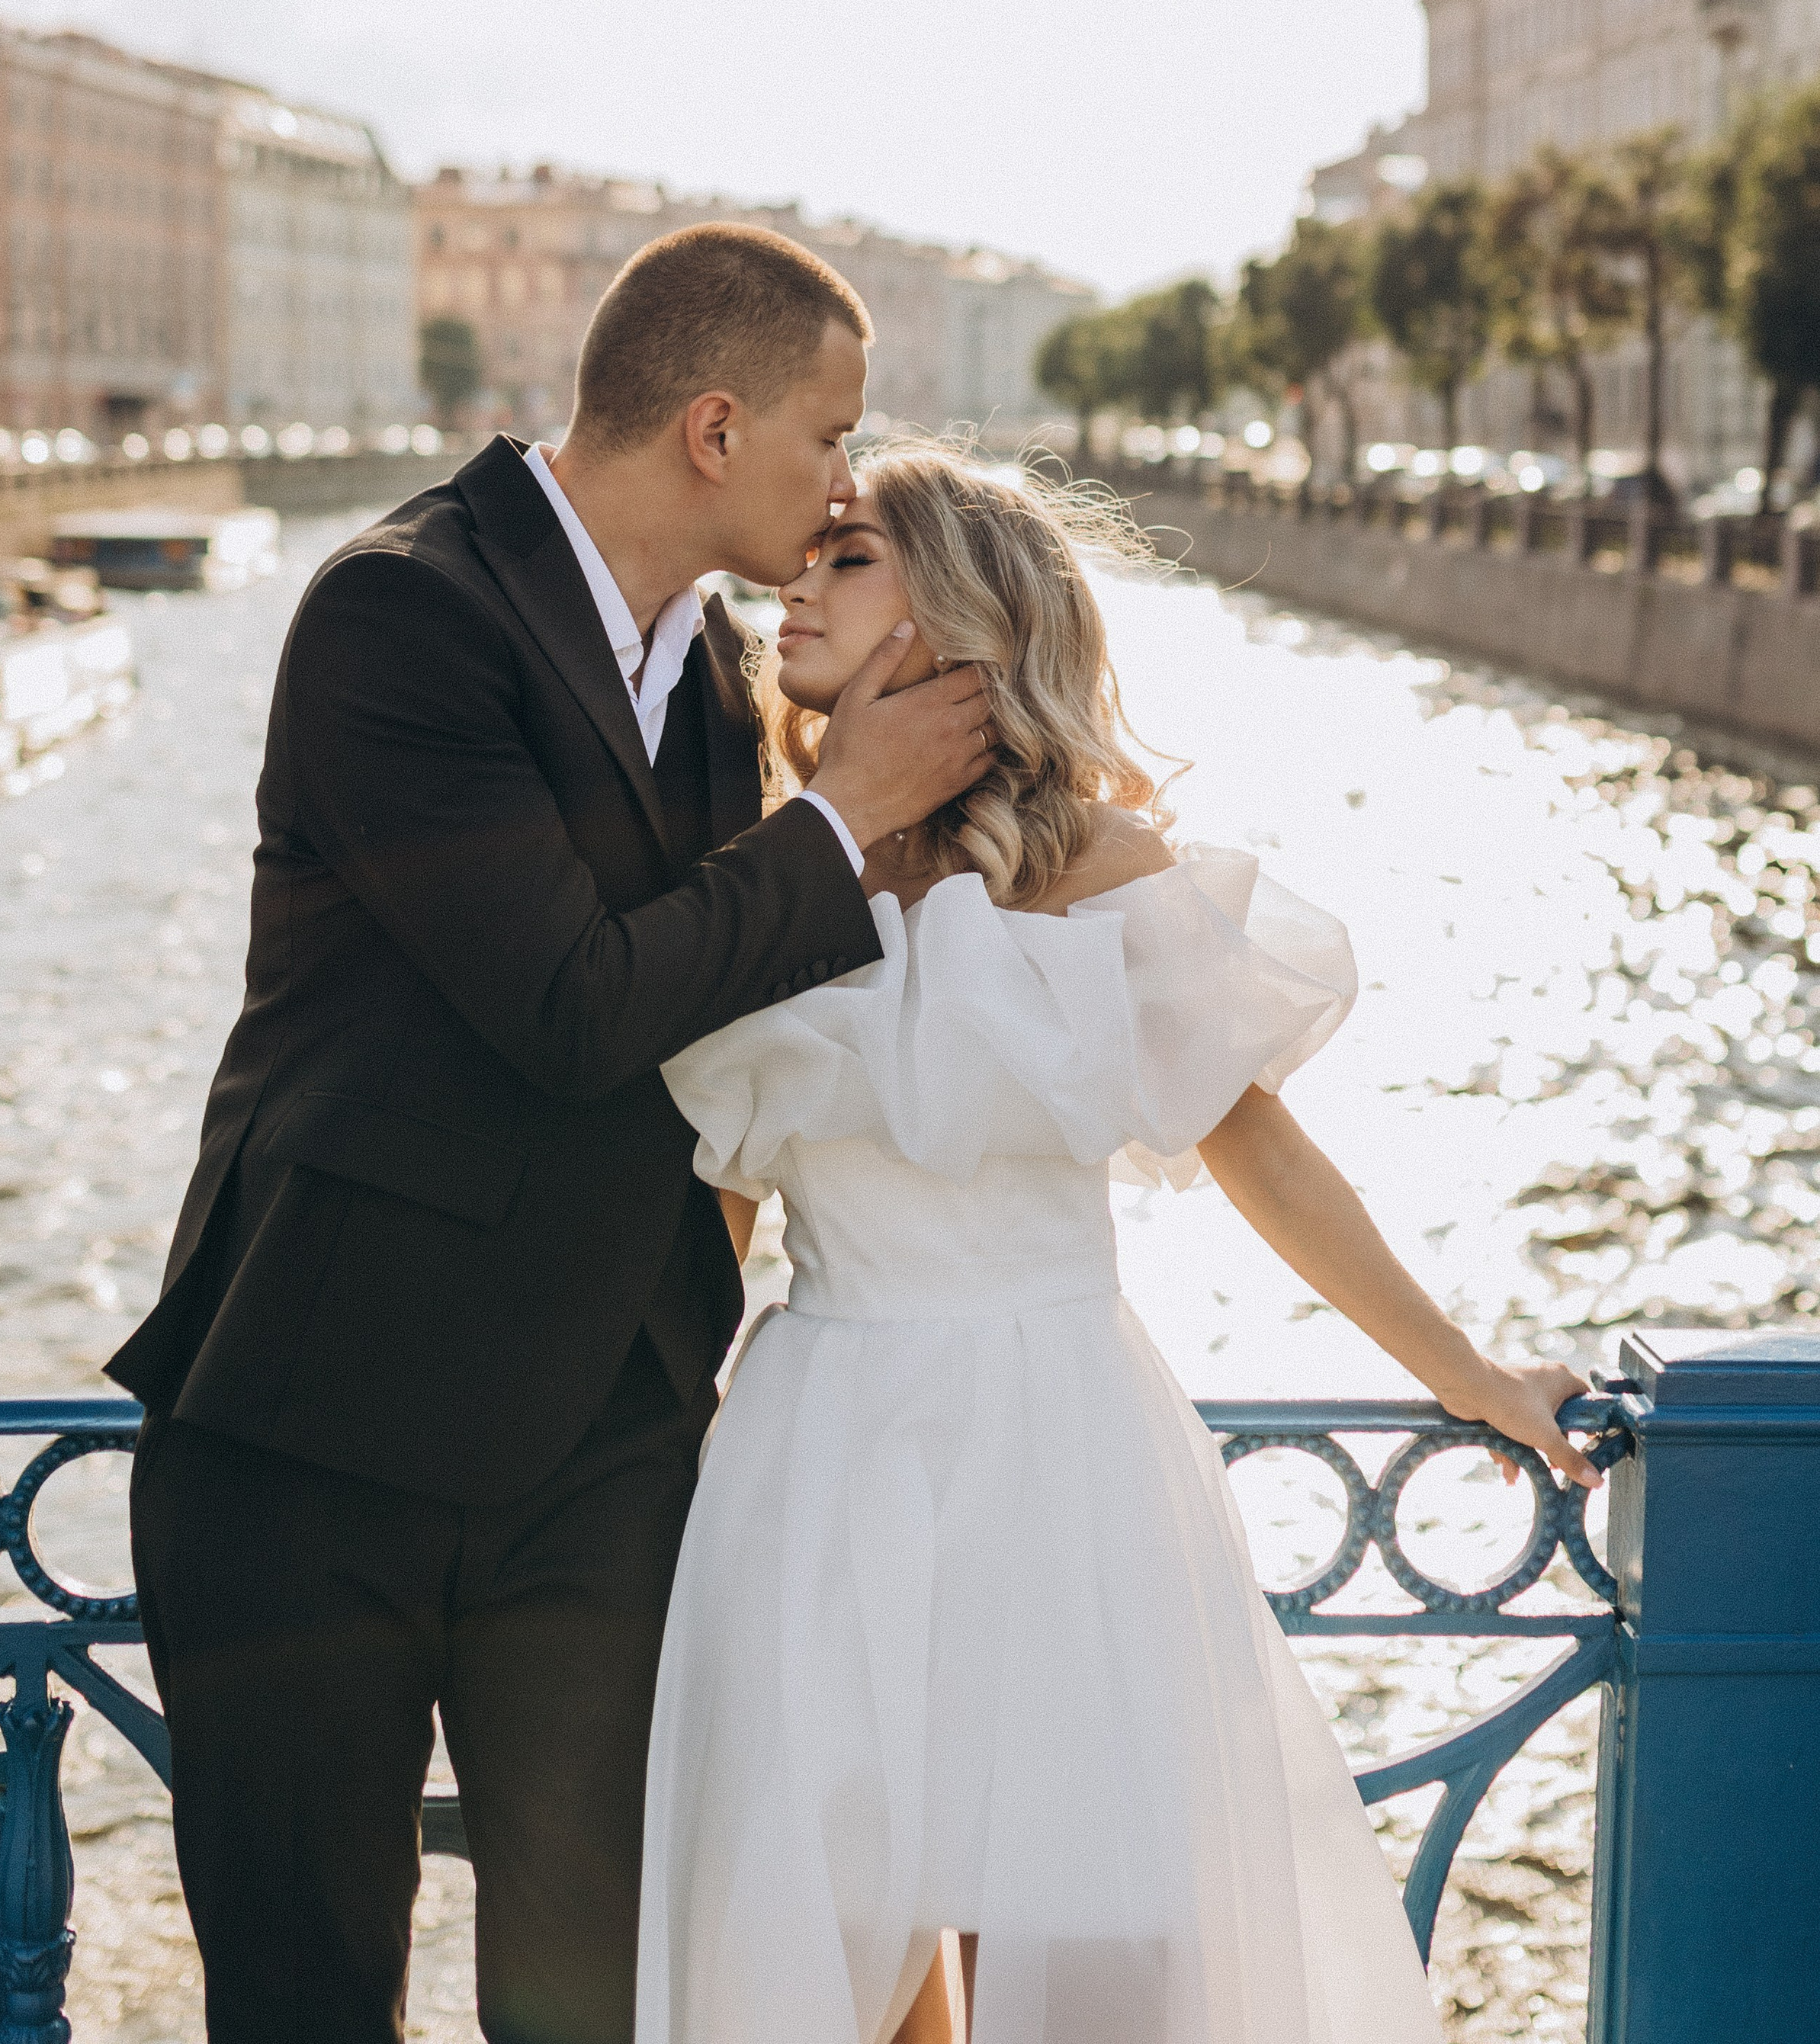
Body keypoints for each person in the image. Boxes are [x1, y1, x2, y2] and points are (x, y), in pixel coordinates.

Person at [108, 226, 994, 2044]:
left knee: (598, 2009)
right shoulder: (400, 609)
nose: (847, 480)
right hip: (313, 1438)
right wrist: (837, 824)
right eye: (831, 433)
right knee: (303, 2000)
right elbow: (572, 1002)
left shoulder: (728, 674)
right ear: (714, 426)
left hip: (602, 1449)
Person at [637, 443, 1600, 2044]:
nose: (792, 584)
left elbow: (1266, 1161)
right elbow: (713, 1221)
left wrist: (1470, 1372)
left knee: (1081, 1943)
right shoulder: (763, 870)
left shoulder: (1101, 867)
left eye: (847, 557)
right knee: (831, 1919)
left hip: (1059, 1443)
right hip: (814, 1445)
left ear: (956, 614)